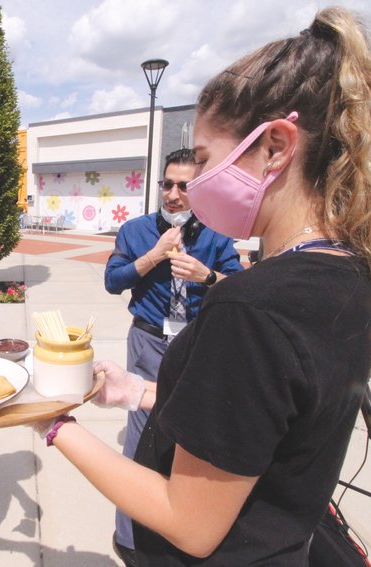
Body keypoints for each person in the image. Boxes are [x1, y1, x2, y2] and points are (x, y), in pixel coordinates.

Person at [35, 7, 371, 566]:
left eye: (204, 160)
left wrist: (52, 423)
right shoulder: (350, 271)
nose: (195, 184)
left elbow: (189, 521)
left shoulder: (251, 306)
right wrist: (137, 392)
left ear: (275, 146)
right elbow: (257, 424)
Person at [103, 148, 243, 565]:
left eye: (184, 186)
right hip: (147, 343)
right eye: (167, 184)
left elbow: (238, 288)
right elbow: (112, 281)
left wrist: (208, 276)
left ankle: (180, 529)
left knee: (192, 438)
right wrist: (152, 257)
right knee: (142, 439)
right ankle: (129, 539)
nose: (173, 194)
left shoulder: (217, 236)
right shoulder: (136, 230)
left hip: (199, 345)